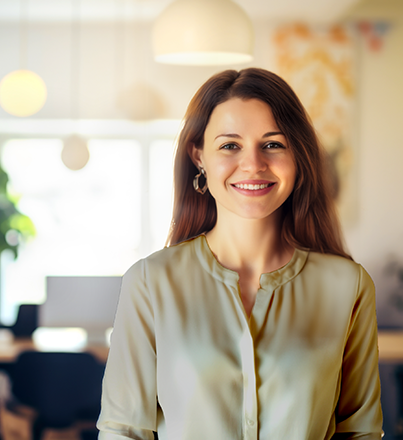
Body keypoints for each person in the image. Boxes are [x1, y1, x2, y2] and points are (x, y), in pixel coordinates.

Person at [97, 68, 382, 440]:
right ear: (198, 156)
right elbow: (124, 431)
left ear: (298, 155)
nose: (253, 164)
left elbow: (359, 432)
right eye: (230, 145)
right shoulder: (151, 282)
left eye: (273, 144)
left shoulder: (349, 286)